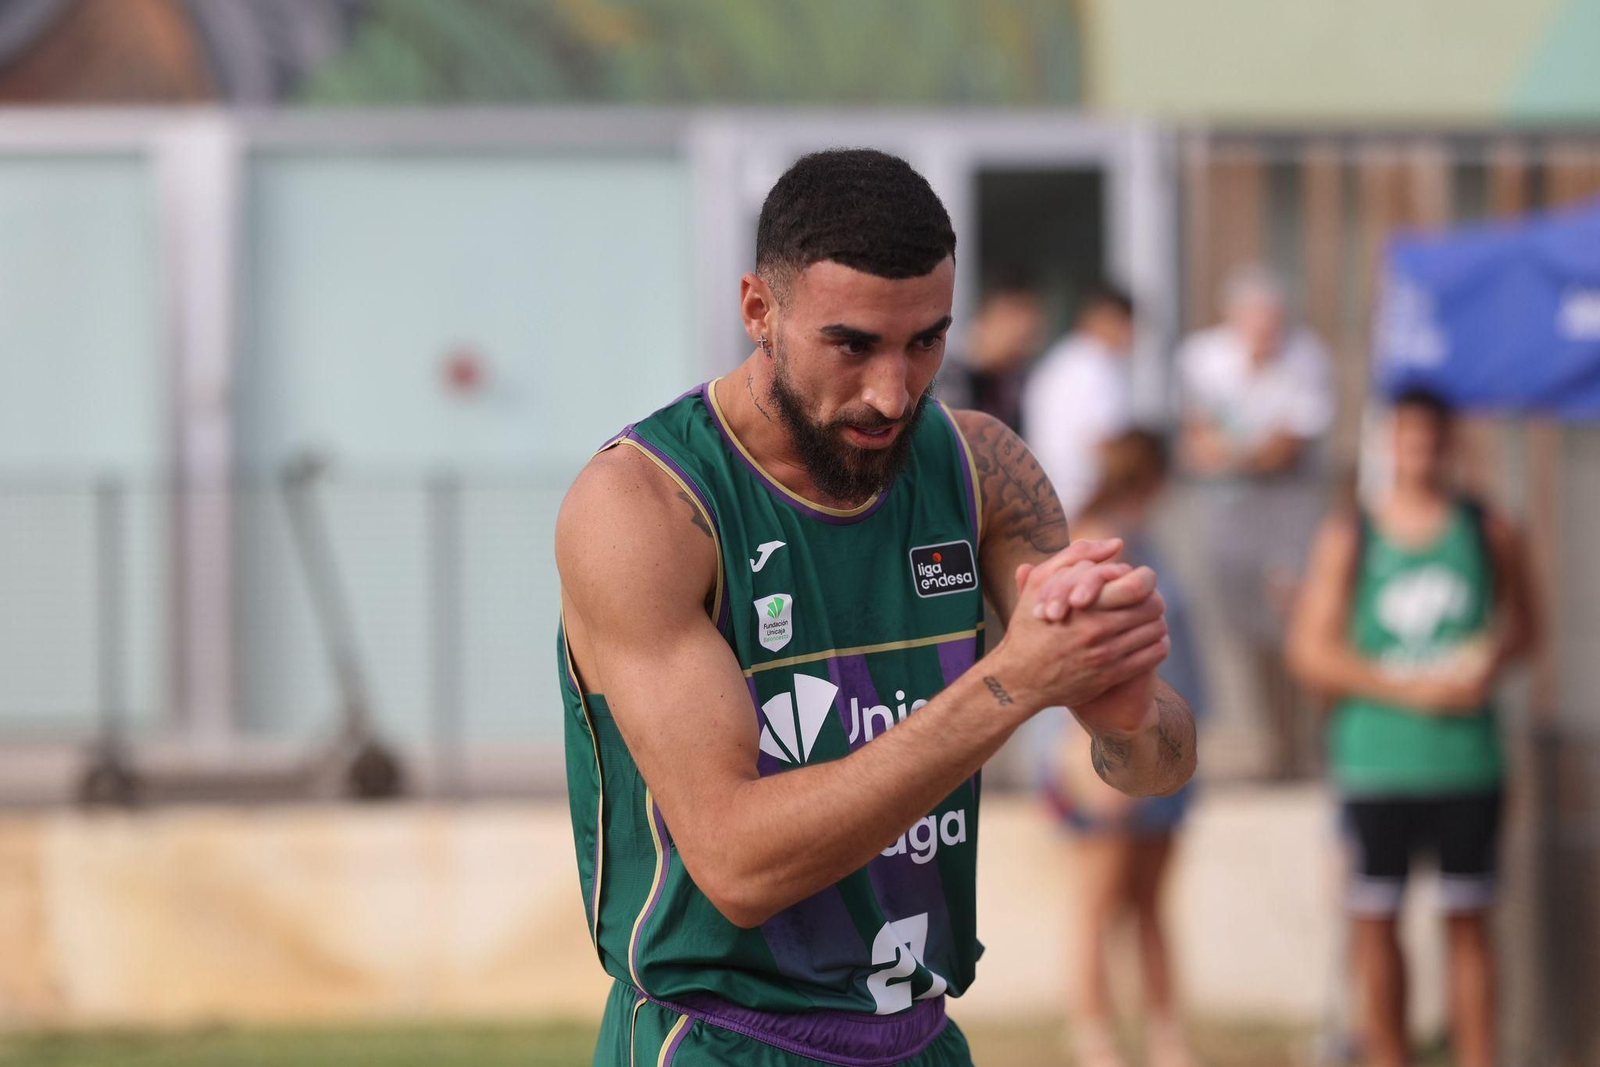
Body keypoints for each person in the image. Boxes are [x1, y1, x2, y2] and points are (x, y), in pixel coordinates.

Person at [555, 148, 1197, 1067]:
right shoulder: (647, 507)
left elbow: (1153, 763)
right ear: (757, 310)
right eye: (852, 344)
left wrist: (1127, 705)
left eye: (926, 341)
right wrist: (1010, 685)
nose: (893, 392)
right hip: (725, 1041)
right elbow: (738, 865)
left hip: (923, 1035)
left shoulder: (983, 468)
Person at [1287, 388, 1539, 1067]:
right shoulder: (1351, 533)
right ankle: (1387, 1052)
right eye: (1407, 437)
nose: (1419, 451)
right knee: (1376, 922)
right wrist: (1407, 686)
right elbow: (1311, 650)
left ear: (1450, 443)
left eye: (1432, 438)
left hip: (1466, 762)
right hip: (1377, 761)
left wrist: (1486, 662)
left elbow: (1526, 626)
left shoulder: (1487, 527)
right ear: (1388, 443)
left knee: (1470, 920)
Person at [1038, 431, 1203, 1067]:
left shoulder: (1150, 538)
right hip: (1102, 750)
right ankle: (1096, 1038)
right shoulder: (1091, 541)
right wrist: (1082, 755)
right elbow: (1069, 660)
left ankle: (1166, 1037)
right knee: (1100, 901)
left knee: (1151, 902)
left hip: (1164, 742)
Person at [1176, 264, 1334, 778]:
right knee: (1238, 629)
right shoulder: (1202, 357)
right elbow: (1196, 439)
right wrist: (1245, 453)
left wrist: (1230, 455)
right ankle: (1266, 741)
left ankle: (1306, 742)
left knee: (1295, 618)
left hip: (1286, 510)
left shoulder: (1306, 357)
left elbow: (1288, 447)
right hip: (1227, 514)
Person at [1022, 282, 1137, 520]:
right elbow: (1104, 442)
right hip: (1083, 502)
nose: (1132, 335)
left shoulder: (1061, 359)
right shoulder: (1095, 365)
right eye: (1128, 324)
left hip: (1049, 497)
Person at [947, 271, 1046, 433]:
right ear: (987, 317)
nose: (1026, 347)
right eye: (1021, 334)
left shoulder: (1015, 382)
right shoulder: (948, 378)